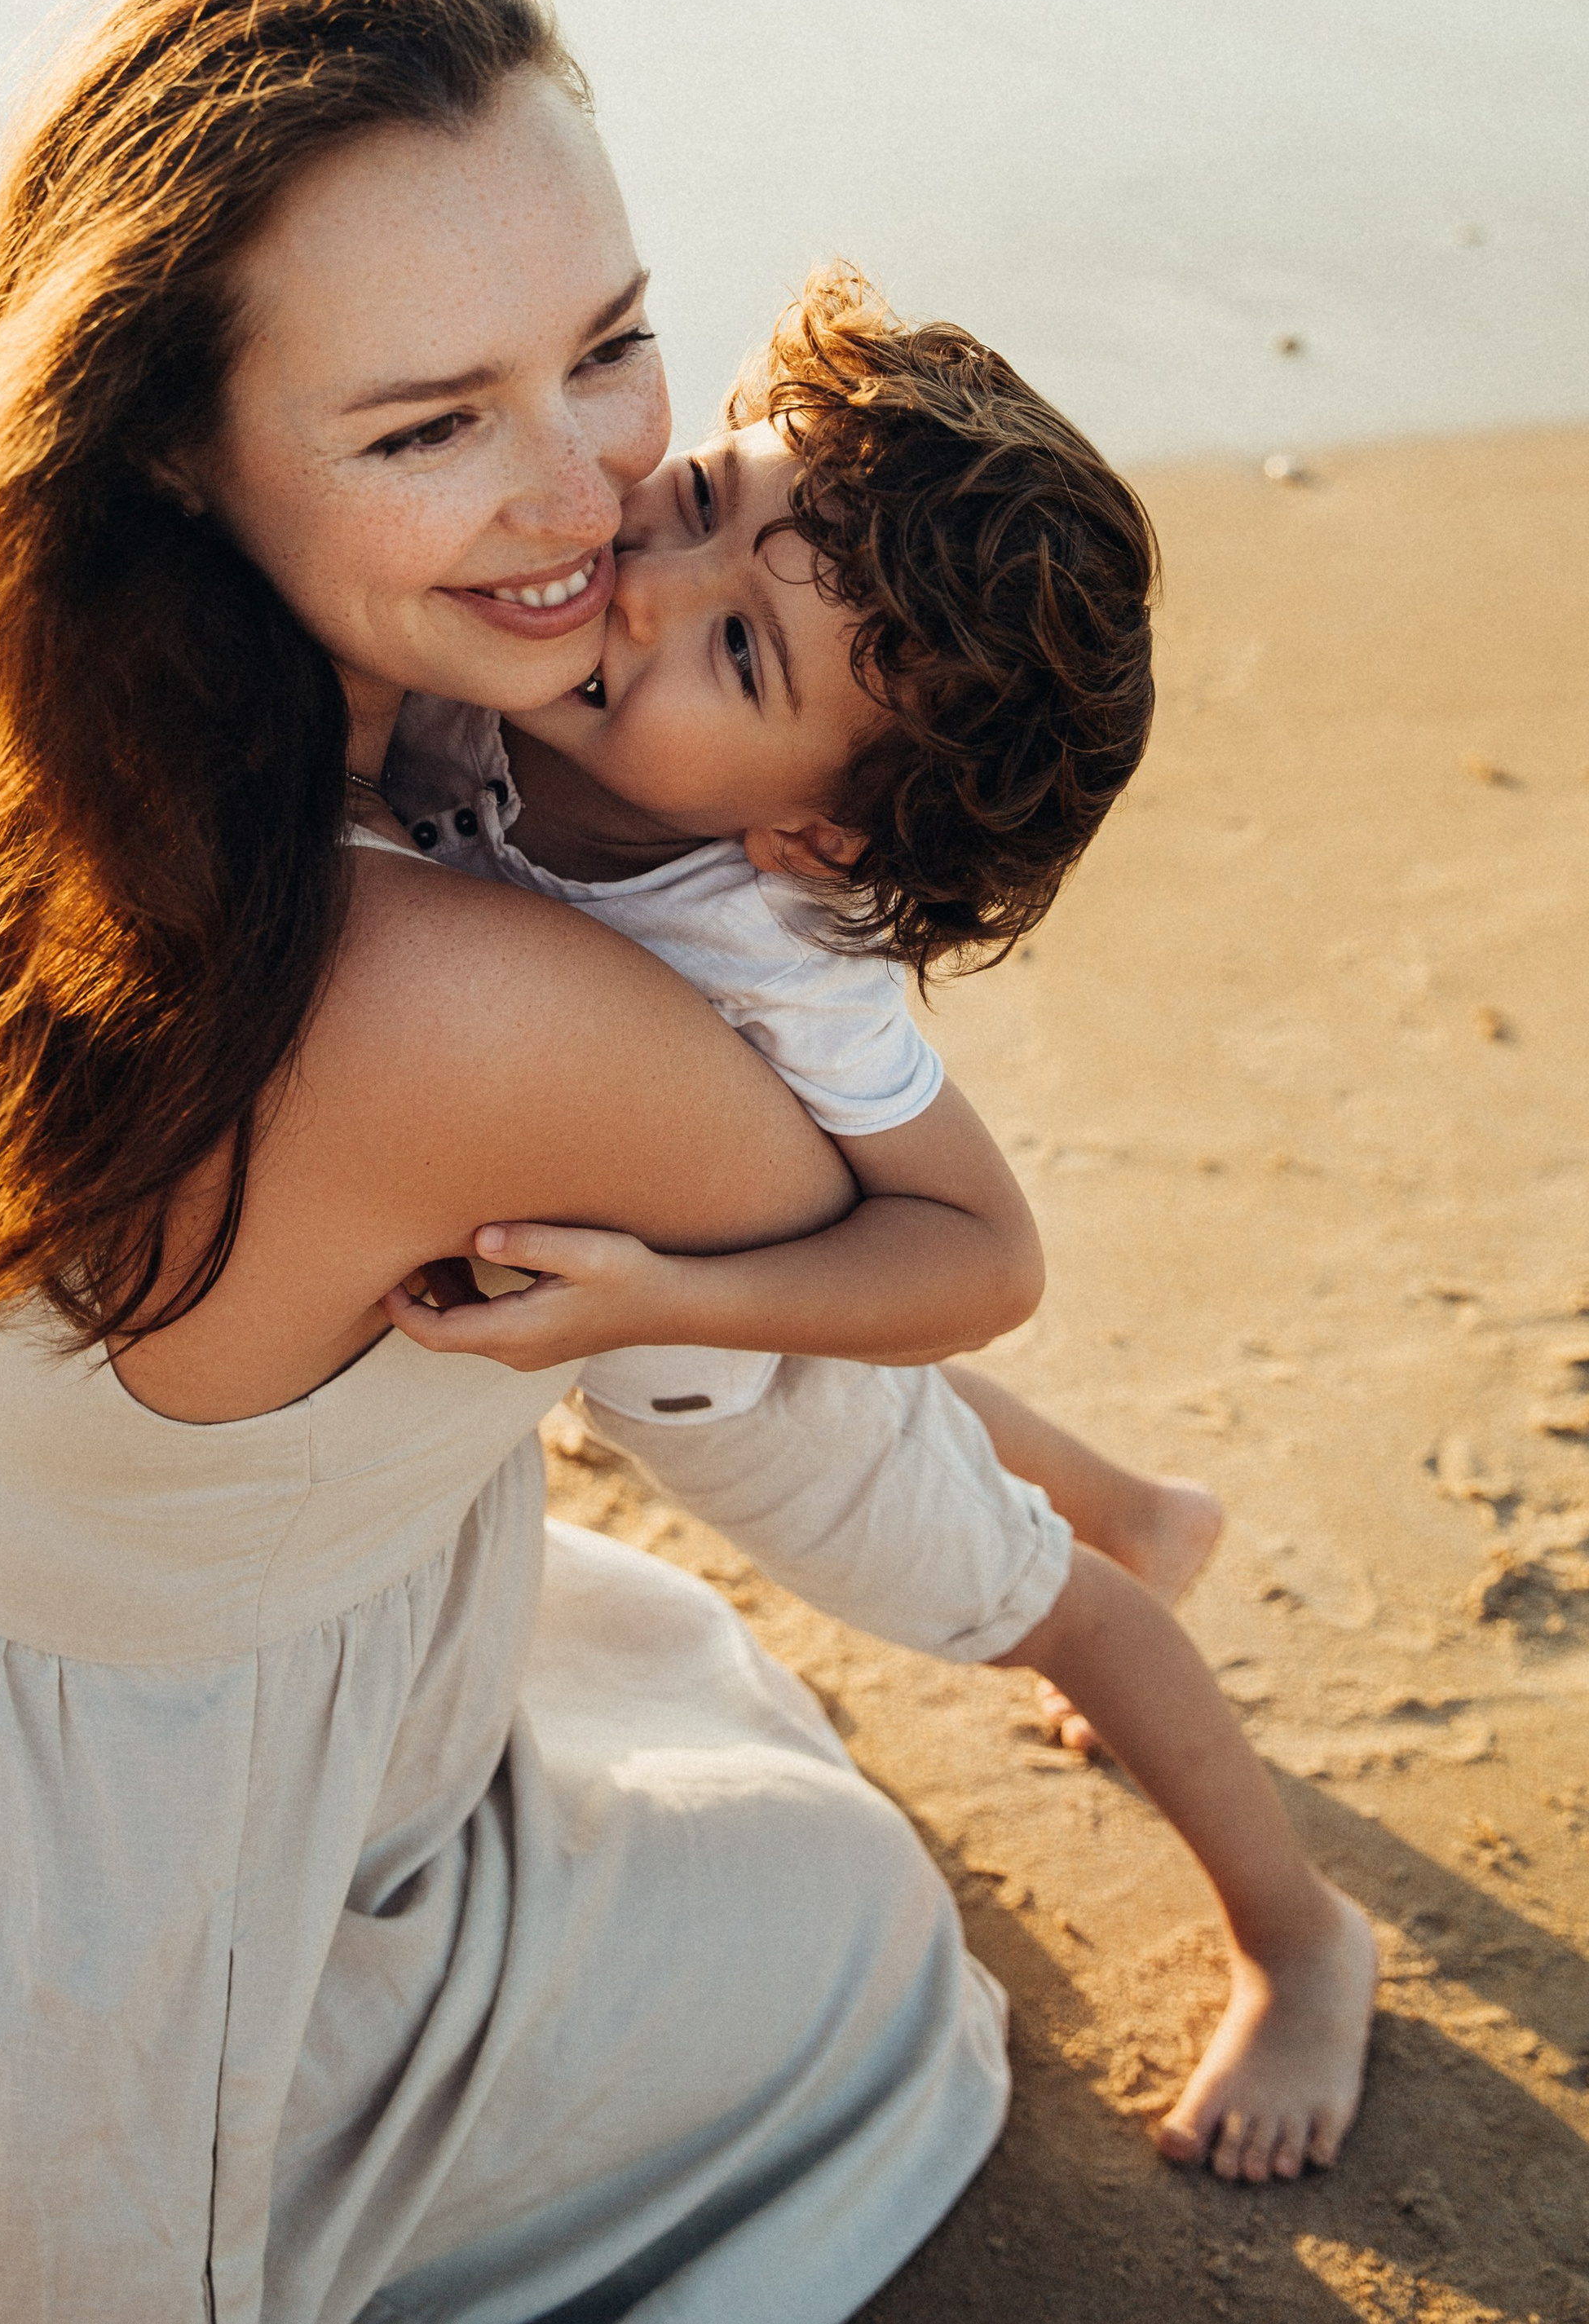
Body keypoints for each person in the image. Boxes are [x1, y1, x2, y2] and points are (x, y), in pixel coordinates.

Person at [0, 0, 1070, 2324]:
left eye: (613, 349)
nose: (582, 501)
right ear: (173, 433)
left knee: (617, 1682)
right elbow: (852, 1380)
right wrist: (1088, 1576)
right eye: (433, 424)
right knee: (863, 1956)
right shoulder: (476, 1006)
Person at [380, 267, 1378, 2182]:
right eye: (691, 511)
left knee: (1032, 1606)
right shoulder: (500, 676)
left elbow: (977, 1260)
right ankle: (1149, 1507)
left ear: (813, 834)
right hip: (713, 1301)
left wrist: (666, 1294)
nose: (643, 593)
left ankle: (1298, 1933)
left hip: (724, 1378)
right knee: (861, 1363)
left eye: (742, 657)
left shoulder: (776, 948)